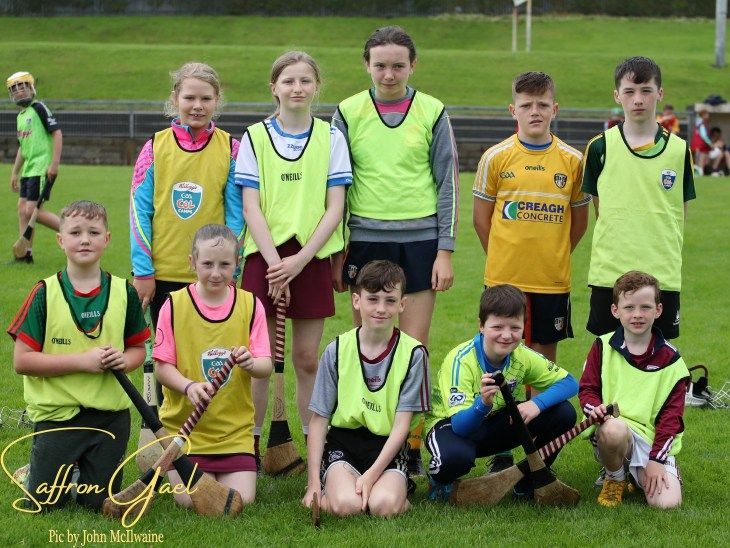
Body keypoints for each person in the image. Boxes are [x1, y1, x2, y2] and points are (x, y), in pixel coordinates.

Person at [332, 25, 459, 474]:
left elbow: (447, 183)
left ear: (412, 66)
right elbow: (335, 187)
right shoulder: (347, 112)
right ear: (366, 65)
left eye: (398, 66)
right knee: (368, 346)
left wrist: (445, 250)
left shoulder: (432, 111)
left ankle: (412, 447)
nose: (389, 74)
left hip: (420, 243)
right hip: (365, 241)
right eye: (381, 65)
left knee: (414, 349)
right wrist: (338, 250)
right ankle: (366, 440)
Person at [234, 51, 351, 466]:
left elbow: (335, 208)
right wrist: (275, 265)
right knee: (260, 361)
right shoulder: (254, 137)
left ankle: (314, 449)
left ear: (316, 86)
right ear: (274, 87)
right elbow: (251, 207)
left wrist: (299, 261)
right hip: (264, 259)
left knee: (305, 358)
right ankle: (249, 446)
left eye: (305, 81)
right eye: (288, 81)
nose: (297, 88)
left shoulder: (331, 137)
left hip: (310, 257)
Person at [6, 200, 148, 511]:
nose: (85, 239)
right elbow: (22, 361)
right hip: (58, 416)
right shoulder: (44, 293)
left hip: (109, 418)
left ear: (107, 239)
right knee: (44, 504)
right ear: (60, 239)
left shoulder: (124, 292)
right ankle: (40, 471)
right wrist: (82, 362)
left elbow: (138, 349)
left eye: (94, 232)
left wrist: (125, 360)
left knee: (97, 503)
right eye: (75, 232)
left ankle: (77, 471)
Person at [473, 71, 589, 365]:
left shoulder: (574, 161)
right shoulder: (495, 157)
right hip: (503, 276)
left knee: (542, 361)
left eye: (542, 105)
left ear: (555, 109)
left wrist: (554, 252)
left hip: (551, 279)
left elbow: (580, 223)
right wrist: (502, 254)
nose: (534, 112)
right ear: (513, 110)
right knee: (498, 354)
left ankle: (538, 400)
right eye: (526, 105)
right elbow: (481, 220)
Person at [154, 224, 272, 506]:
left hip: (234, 432)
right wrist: (189, 386)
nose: (216, 273)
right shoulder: (174, 305)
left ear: (237, 263)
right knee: (191, 501)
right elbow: (162, 368)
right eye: (207, 264)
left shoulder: (250, 304)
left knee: (241, 499)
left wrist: (251, 363)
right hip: (186, 432)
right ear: (192, 262)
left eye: (224, 264)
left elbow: (266, 365)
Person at [424, 284, 578, 501]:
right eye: (497, 327)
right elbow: (460, 426)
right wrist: (482, 404)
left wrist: (536, 404)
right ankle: (439, 480)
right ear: (481, 326)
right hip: (451, 426)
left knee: (564, 413)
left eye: (515, 327)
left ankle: (529, 480)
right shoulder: (461, 360)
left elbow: (570, 382)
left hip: (493, 422)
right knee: (456, 458)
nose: (506, 335)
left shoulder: (522, 355)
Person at [302, 260, 430, 517]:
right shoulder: (337, 349)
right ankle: (332, 486)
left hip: (387, 446)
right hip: (344, 442)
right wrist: (313, 484)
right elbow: (319, 419)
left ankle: (394, 491)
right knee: (346, 506)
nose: (381, 308)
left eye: (390, 301)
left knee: (383, 506)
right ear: (356, 300)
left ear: (402, 304)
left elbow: (402, 425)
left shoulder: (414, 353)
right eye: (372, 299)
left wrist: (372, 475)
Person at [582, 56, 696, 341]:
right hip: (610, 273)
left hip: (662, 273)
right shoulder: (599, 147)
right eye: (629, 91)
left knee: (659, 355)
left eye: (646, 90)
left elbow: (680, 211)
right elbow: (600, 207)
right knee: (608, 353)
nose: (638, 99)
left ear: (660, 93)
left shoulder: (679, 150)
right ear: (617, 95)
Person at [130, 62, 243, 326]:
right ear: (175, 98)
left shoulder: (231, 149)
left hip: (213, 274)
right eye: (189, 98)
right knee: (168, 349)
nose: (197, 106)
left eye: (206, 99)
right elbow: (139, 213)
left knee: (210, 347)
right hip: (161, 274)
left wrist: (231, 268)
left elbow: (237, 217)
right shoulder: (154, 147)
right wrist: (143, 272)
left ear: (217, 100)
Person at [579, 271, 689, 509]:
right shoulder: (602, 346)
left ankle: (645, 472)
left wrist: (656, 460)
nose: (637, 314)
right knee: (614, 429)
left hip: (651, 439)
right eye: (629, 307)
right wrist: (594, 409)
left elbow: (672, 419)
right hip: (614, 432)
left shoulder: (672, 360)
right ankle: (615, 477)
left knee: (667, 504)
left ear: (658, 310)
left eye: (645, 307)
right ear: (615, 310)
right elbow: (587, 390)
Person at [7, 71, 62, 264]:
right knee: (22, 209)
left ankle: (71, 231)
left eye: (23, 87)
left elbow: (57, 133)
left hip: (41, 168)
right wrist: (15, 172)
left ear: (31, 88)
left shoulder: (39, 108)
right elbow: (22, 148)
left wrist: (54, 163)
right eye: (15, 89)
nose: (19, 92)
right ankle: (24, 255)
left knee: (31, 210)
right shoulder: (20, 117)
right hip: (28, 170)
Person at [689, 108, 711, 176]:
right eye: (706, 114)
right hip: (699, 143)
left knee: (698, 158)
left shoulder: (699, 122)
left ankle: (699, 172)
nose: (708, 116)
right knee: (698, 158)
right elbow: (703, 135)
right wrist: (710, 143)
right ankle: (698, 172)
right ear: (703, 115)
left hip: (697, 143)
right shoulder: (701, 123)